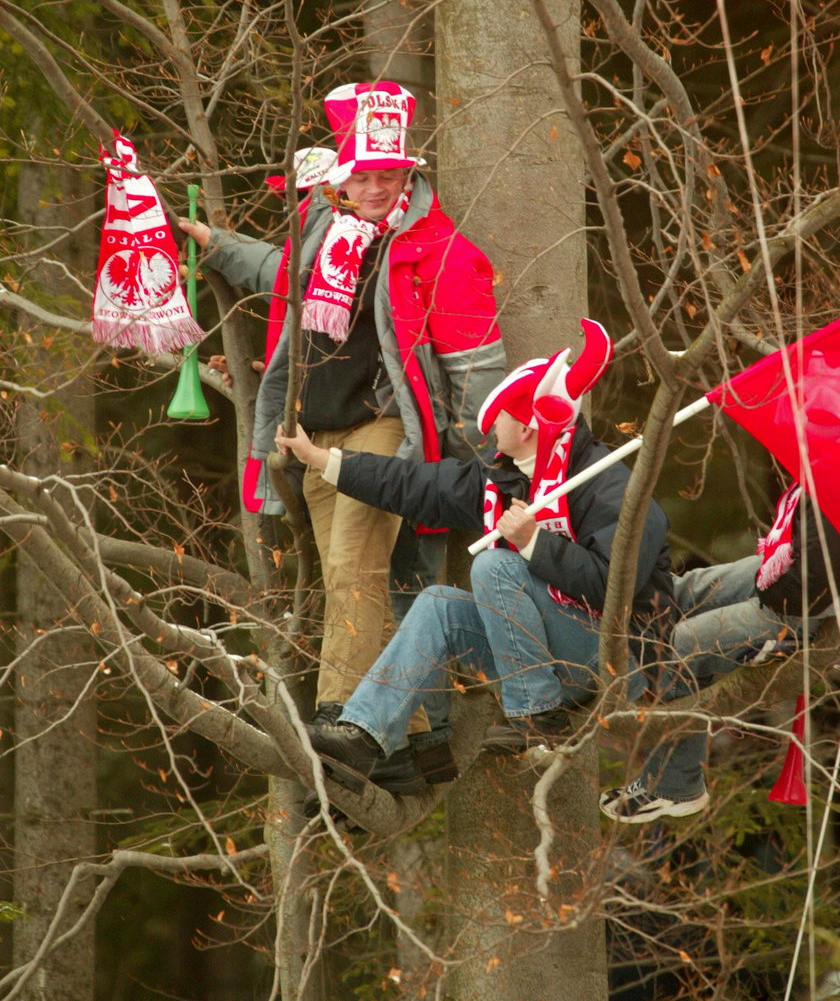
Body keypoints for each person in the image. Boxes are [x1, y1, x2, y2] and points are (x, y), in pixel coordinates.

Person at [179, 81, 505, 791]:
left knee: (357, 565)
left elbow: (476, 366)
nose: (379, 187)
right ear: (343, 179)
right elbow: (282, 276)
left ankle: (343, 722)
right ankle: (418, 749)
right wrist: (216, 244)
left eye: (391, 175)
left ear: (408, 176)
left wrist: (493, 470)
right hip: (311, 432)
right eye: (365, 175)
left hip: (384, 428)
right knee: (357, 586)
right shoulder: (323, 231)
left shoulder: (435, 249)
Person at [274, 321, 677, 796]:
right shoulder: (501, 479)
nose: (489, 428)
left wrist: (532, 543)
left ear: (525, 426)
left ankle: (535, 717)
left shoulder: (609, 484)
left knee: (494, 565)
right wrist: (321, 459)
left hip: (608, 659)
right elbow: (413, 484)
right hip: (541, 653)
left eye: (500, 415)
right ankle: (365, 734)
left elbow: (615, 588)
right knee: (439, 604)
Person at [600, 483, 840, 824]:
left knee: (680, 646)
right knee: (680, 593)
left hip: (800, 610)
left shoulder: (832, 481)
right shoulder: (820, 472)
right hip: (786, 572)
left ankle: (675, 786)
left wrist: (762, 589)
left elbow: (814, 587)